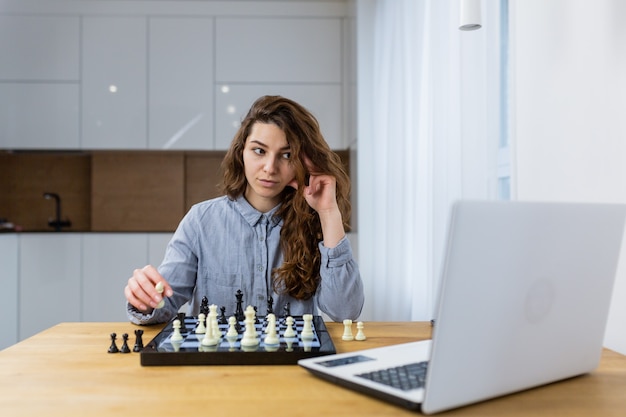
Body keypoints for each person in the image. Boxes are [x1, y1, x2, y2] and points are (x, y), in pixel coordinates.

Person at [124, 95, 364, 325]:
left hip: (291, 365)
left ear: (302, 162)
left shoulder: (316, 223)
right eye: (259, 151)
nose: (270, 168)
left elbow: (345, 313)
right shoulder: (200, 221)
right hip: (216, 364)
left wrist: (328, 212)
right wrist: (145, 299)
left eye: (287, 155)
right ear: (241, 153)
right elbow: (164, 303)